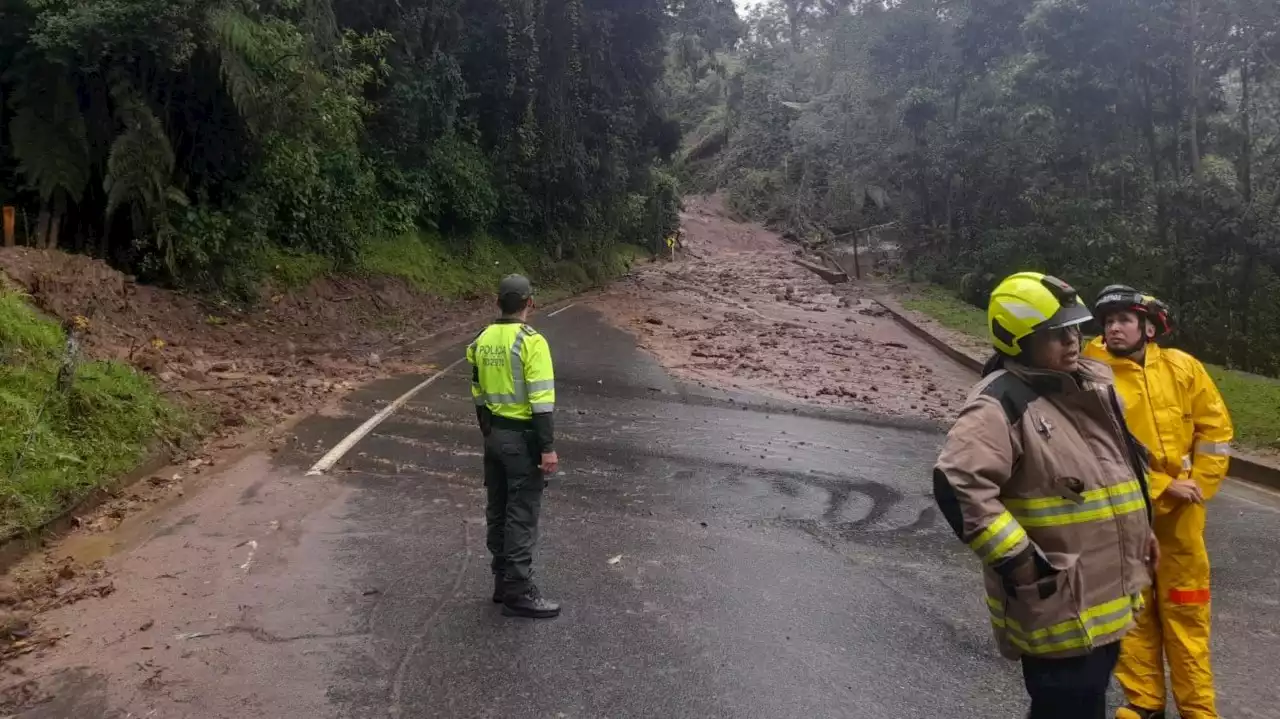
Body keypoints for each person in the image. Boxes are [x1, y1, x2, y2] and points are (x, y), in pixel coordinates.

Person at [932, 271, 1158, 719]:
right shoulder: (999, 404)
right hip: (1060, 605)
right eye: (1055, 334)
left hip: (1103, 599)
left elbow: (1122, 468)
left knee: (1085, 699)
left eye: (1074, 328)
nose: (1072, 342)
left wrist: (1143, 530)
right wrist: (1024, 564)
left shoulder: (1087, 385)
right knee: (1066, 705)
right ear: (1018, 342)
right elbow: (957, 485)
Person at [1084, 286, 1233, 719]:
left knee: (1187, 614)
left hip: (1182, 522)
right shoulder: (1092, 373)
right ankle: (1144, 703)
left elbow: (1216, 433)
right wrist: (1163, 485)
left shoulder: (1183, 368)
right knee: (1132, 612)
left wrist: (1199, 487)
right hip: (1124, 512)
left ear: (1148, 327)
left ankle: (1198, 710)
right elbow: (1096, 447)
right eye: (1108, 321)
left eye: (1123, 320)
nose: (1113, 327)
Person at [466, 274, 561, 619]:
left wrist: (487, 432)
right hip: (521, 440)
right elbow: (541, 402)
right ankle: (518, 591)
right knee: (521, 513)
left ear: (498, 304)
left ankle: (501, 581)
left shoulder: (481, 339)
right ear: (529, 303)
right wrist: (546, 447)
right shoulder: (531, 342)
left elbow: (477, 391)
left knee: (498, 507)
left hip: (493, 436)